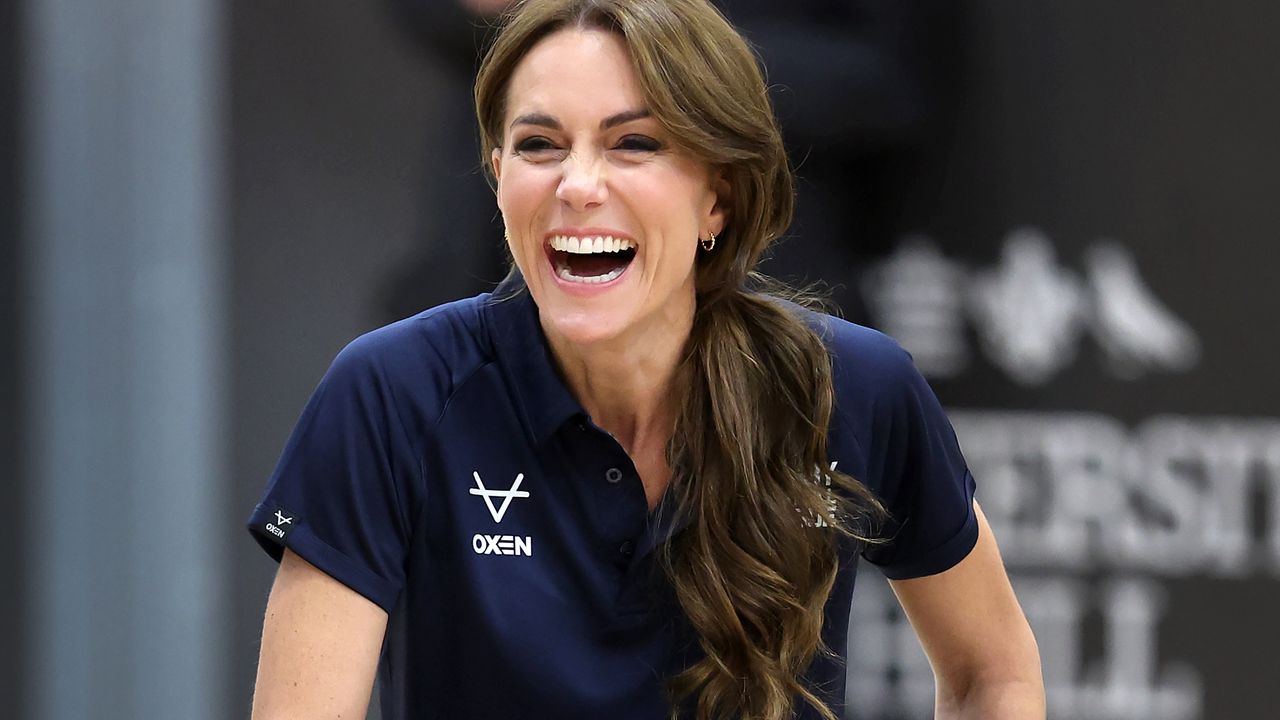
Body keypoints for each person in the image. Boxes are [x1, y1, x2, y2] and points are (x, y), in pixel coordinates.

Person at [246, 1, 1043, 719]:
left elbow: (992, 676)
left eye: (635, 144)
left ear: (718, 197)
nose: (578, 184)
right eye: (538, 144)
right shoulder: (392, 391)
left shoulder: (848, 386)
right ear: (498, 178)